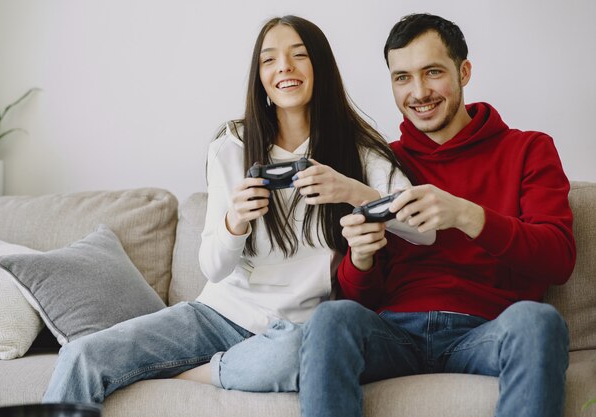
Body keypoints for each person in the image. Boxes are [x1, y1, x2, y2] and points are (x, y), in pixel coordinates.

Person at [41, 15, 432, 406]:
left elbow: (424, 230)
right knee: (82, 357)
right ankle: (223, 363)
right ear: (259, 76)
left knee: (297, 357)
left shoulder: (358, 150)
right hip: (217, 316)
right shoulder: (232, 145)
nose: (285, 67)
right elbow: (213, 268)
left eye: (299, 55)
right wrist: (235, 221)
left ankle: (205, 372)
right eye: (269, 60)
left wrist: (350, 189)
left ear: (321, 67)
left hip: (298, 328)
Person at [297, 13, 576, 417]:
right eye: (402, 77)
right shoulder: (380, 160)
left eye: (433, 72)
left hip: (486, 331)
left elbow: (558, 260)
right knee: (330, 319)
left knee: (538, 321)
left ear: (464, 71)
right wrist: (361, 259)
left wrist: (467, 215)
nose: (419, 91)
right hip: (392, 333)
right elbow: (359, 298)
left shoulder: (529, 149)